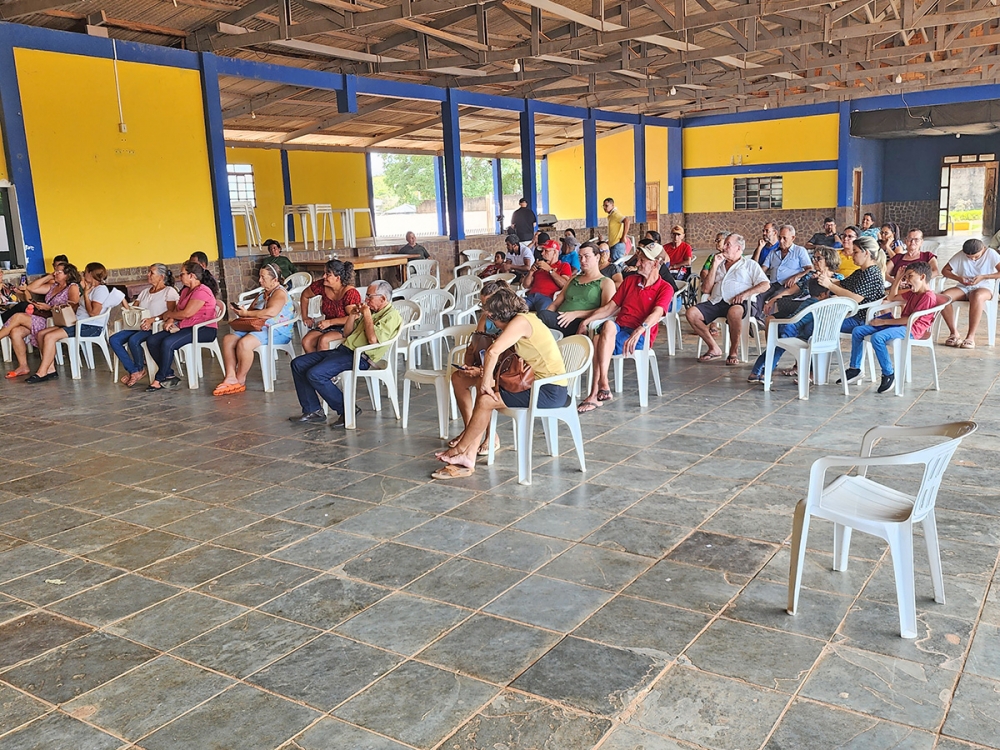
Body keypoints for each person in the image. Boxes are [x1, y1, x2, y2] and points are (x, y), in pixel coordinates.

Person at [432, 286, 566, 479]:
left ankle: (461, 450)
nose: (492, 323)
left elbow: (493, 351)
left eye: (492, 318)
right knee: (486, 397)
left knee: (486, 399)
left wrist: (486, 382)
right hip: (541, 386)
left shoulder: (521, 322)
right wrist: (484, 377)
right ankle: (468, 456)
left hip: (550, 391)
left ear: (499, 315)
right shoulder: (524, 320)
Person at [289, 280, 402, 426]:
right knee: (298, 364)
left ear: (383, 299)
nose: (366, 300)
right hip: (343, 351)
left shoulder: (391, 316)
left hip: (360, 357)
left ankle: (347, 409)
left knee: (316, 374)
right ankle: (313, 410)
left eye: (369, 297)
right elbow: (348, 333)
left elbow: (373, 340)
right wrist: (352, 316)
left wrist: (366, 315)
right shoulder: (372, 311)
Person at [577, 243, 673, 412]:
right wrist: (585, 321)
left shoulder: (665, 288)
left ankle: (595, 393)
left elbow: (657, 313)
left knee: (597, 339)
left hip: (640, 336)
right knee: (607, 326)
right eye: (639, 259)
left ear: (656, 264)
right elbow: (609, 308)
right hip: (618, 330)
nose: (638, 264)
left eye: (643, 261)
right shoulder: (630, 281)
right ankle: (603, 385)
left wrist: (640, 329)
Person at [841, 262, 939, 393]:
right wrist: (898, 278)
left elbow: (910, 320)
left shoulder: (927, 296)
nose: (907, 280)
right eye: (906, 277)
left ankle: (888, 374)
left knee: (877, 337)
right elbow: (892, 297)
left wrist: (883, 322)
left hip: (912, 330)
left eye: (910, 276)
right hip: (901, 325)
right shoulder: (912, 293)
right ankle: (855, 368)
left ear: (922, 277)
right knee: (858, 331)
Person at [26, 262, 121, 385]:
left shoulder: (100, 290)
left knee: (50, 337)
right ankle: (51, 369)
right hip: (77, 323)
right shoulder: (90, 288)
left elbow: (93, 313)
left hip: (89, 326)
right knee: (41, 334)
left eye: (85, 272)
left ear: (91, 274)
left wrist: (86, 295)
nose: (83, 274)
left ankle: (42, 372)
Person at [686, 233, 770, 366]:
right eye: (724, 244)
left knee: (734, 312)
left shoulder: (749, 264)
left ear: (738, 248)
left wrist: (745, 294)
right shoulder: (719, 264)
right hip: (717, 301)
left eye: (728, 244)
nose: (724, 247)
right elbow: (706, 290)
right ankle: (714, 347)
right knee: (691, 313)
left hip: (738, 303)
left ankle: (733, 351)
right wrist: (714, 265)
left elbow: (765, 284)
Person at [213, 264, 295, 395]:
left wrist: (247, 314)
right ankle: (230, 376)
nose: (260, 280)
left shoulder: (279, 292)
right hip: (257, 327)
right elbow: (252, 312)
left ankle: (240, 380)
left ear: (275, 280)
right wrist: (242, 312)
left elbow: (271, 312)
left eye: (263, 277)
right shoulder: (263, 293)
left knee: (245, 343)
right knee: (228, 339)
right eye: (260, 277)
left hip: (276, 330)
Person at [144, 262, 218, 391]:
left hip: (203, 329)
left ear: (192, 276)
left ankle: (159, 378)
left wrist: (169, 315)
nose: (179, 277)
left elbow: (186, 313)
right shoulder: (185, 290)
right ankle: (168, 373)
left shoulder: (202, 291)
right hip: (186, 326)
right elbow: (178, 309)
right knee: (152, 340)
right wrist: (171, 319)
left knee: (168, 343)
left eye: (182, 274)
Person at [0, 263, 80, 378]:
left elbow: (73, 306)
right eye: (55, 271)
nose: (55, 273)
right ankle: (23, 366)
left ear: (67, 275)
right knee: (15, 331)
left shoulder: (72, 287)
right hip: (44, 318)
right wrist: (49, 277)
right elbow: (31, 288)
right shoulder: (53, 286)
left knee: (18, 316)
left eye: (59, 272)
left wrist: (50, 308)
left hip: (54, 321)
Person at [747, 278, 834, 384]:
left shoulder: (808, 301)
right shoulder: (818, 306)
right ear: (823, 295)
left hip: (786, 325)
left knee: (772, 349)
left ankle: (755, 373)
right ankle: (766, 374)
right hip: (792, 329)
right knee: (777, 351)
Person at [110, 263, 180, 388]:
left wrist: (153, 320)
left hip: (155, 327)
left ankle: (139, 368)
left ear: (161, 277)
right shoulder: (144, 292)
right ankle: (134, 371)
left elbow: (171, 312)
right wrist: (123, 301)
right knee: (114, 339)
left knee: (134, 340)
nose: (148, 275)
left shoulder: (169, 292)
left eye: (152, 273)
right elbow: (134, 309)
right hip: (137, 325)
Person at [539, 243, 616, 337]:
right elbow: (555, 304)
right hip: (560, 319)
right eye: (580, 257)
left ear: (597, 257)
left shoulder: (606, 282)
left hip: (580, 322)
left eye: (586, 256)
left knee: (540, 317)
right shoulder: (573, 279)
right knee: (535, 319)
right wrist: (547, 314)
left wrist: (575, 314)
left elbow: (605, 311)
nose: (582, 260)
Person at [815, 235, 886, 335]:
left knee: (815, 324)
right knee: (814, 321)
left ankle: (812, 349)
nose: (852, 255)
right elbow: (841, 283)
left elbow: (855, 298)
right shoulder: (861, 271)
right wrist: (826, 279)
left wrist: (829, 285)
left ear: (866, 253)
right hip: (852, 315)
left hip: (860, 320)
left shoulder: (871, 272)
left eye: (856, 252)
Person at [939, 238, 1000, 348]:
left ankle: (970, 337)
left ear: (983, 249)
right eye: (968, 257)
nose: (972, 259)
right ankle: (954, 333)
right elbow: (945, 270)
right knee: (943, 297)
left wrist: (984, 277)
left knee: (976, 296)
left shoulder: (990, 253)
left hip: (984, 288)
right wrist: (959, 278)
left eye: (976, 257)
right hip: (964, 287)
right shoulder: (961, 254)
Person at [762, 246, 841, 320]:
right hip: (801, 305)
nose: (814, 261)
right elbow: (790, 291)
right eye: (814, 258)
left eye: (818, 258)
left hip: (822, 311)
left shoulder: (838, 278)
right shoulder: (809, 275)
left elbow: (838, 298)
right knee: (771, 317)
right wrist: (772, 300)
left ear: (828, 260)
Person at [299, 259, 361, 353]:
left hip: (347, 328)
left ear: (338, 278)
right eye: (324, 273)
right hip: (328, 324)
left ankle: (324, 367)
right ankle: (315, 366)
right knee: (306, 341)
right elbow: (305, 296)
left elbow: (354, 317)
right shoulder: (321, 285)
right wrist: (305, 316)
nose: (324, 276)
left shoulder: (350, 293)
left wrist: (330, 322)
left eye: (328, 274)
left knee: (324, 340)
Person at [1, 255, 69, 324]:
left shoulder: (8, 286)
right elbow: (31, 288)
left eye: (1, 272)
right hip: (4, 312)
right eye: (55, 268)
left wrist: (25, 291)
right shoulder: (52, 284)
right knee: (23, 307)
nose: (1, 274)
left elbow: (28, 298)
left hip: (48, 312)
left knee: (24, 306)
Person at [759, 225, 812, 310]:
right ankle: (757, 320)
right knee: (758, 295)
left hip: (788, 286)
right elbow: (763, 269)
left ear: (793, 238)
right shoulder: (773, 252)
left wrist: (796, 276)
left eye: (784, 238)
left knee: (775, 298)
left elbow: (810, 269)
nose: (781, 241)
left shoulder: (799, 251)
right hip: (772, 284)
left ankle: (770, 321)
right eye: (780, 237)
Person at [522, 237, 571, 312]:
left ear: (555, 252)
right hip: (531, 296)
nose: (542, 253)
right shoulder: (539, 267)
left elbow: (565, 285)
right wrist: (531, 272)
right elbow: (526, 285)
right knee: (513, 309)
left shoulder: (564, 266)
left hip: (547, 298)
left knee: (543, 315)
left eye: (546, 251)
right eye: (542, 250)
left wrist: (550, 270)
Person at [603, 197, 631, 262]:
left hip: (617, 245)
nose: (604, 208)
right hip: (613, 244)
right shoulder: (611, 215)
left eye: (606, 206)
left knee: (617, 266)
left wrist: (624, 237)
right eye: (603, 206)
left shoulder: (615, 214)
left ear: (612, 205)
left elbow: (627, 221)